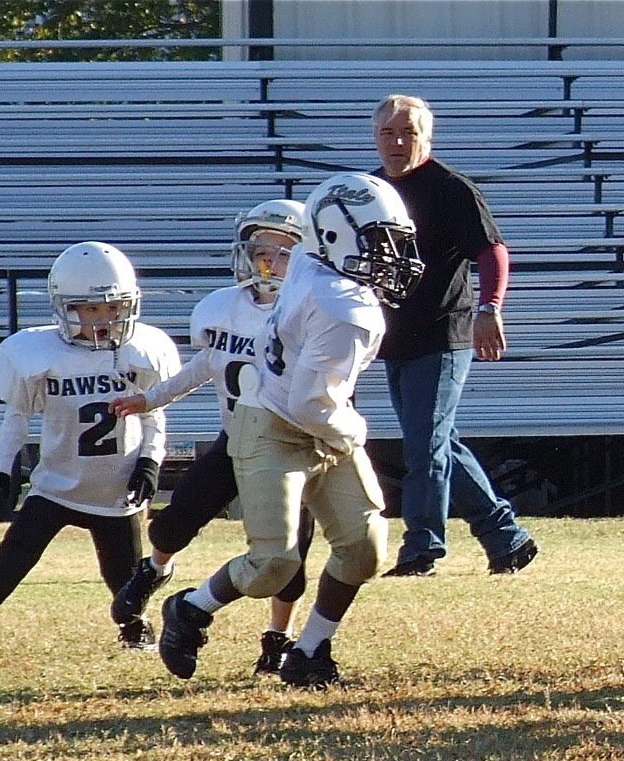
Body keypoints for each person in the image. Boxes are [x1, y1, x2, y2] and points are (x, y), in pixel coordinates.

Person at [155, 171, 425, 688]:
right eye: (377, 241)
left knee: (365, 548)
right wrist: (352, 434)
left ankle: (310, 651)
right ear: (332, 235)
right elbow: (310, 403)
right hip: (277, 426)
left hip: (314, 414)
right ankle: (191, 607)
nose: (388, 256)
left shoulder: (309, 264)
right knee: (273, 564)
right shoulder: (346, 307)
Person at [108, 199, 317, 676]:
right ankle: (154, 570)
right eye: (261, 249)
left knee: (290, 553)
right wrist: (150, 398)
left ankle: (277, 637)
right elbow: (206, 365)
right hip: (234, 439)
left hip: (287, 444)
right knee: (176, 519)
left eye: (284, 253)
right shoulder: (221, 308)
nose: (268, 262)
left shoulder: (310, 311)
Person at [0, 242, 180, 656]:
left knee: (125, 580)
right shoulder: (40, 354)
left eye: (113, 308)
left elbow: (153, 414)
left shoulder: (141, 351)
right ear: (64, 306)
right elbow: (16, 418)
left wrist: (149, 461)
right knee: (12, 558)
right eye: (90, 309)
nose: (103, 319)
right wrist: (1, 470)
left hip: (115, 490)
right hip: (54, 485)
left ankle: (135, 625)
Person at [370, 93, 538, 578]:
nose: (398, 142)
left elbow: (492, 252)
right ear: (374, 137)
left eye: (409, 133)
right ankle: (507, 538)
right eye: (388, 133)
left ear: (428, 137)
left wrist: (491, 308)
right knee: (437, 441)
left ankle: (422, 547)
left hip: (443, 332)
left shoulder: (450, 188)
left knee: (425, 444)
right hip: (393, 338)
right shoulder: (370, 190)